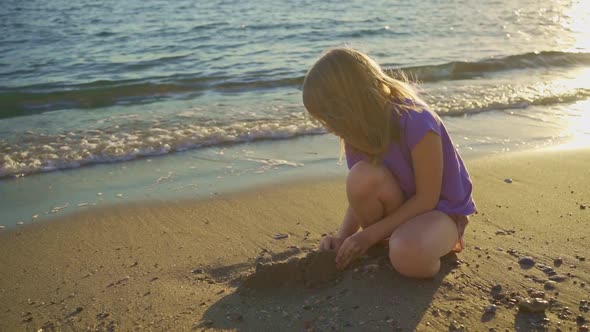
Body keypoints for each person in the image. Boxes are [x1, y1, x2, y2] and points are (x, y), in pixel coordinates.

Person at [301, 47, 476, 278]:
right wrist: (343, 237)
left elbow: (427, 199)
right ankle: (390, 242)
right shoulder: (356, 134)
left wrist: (368, 235)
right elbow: (362, 191)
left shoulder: (417, 121)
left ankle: (419, 247)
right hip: (398, 213)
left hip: (439, 214)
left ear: (349, 104)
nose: (327, 126)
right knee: (360, 176)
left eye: (329, 117)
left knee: (407, 254)